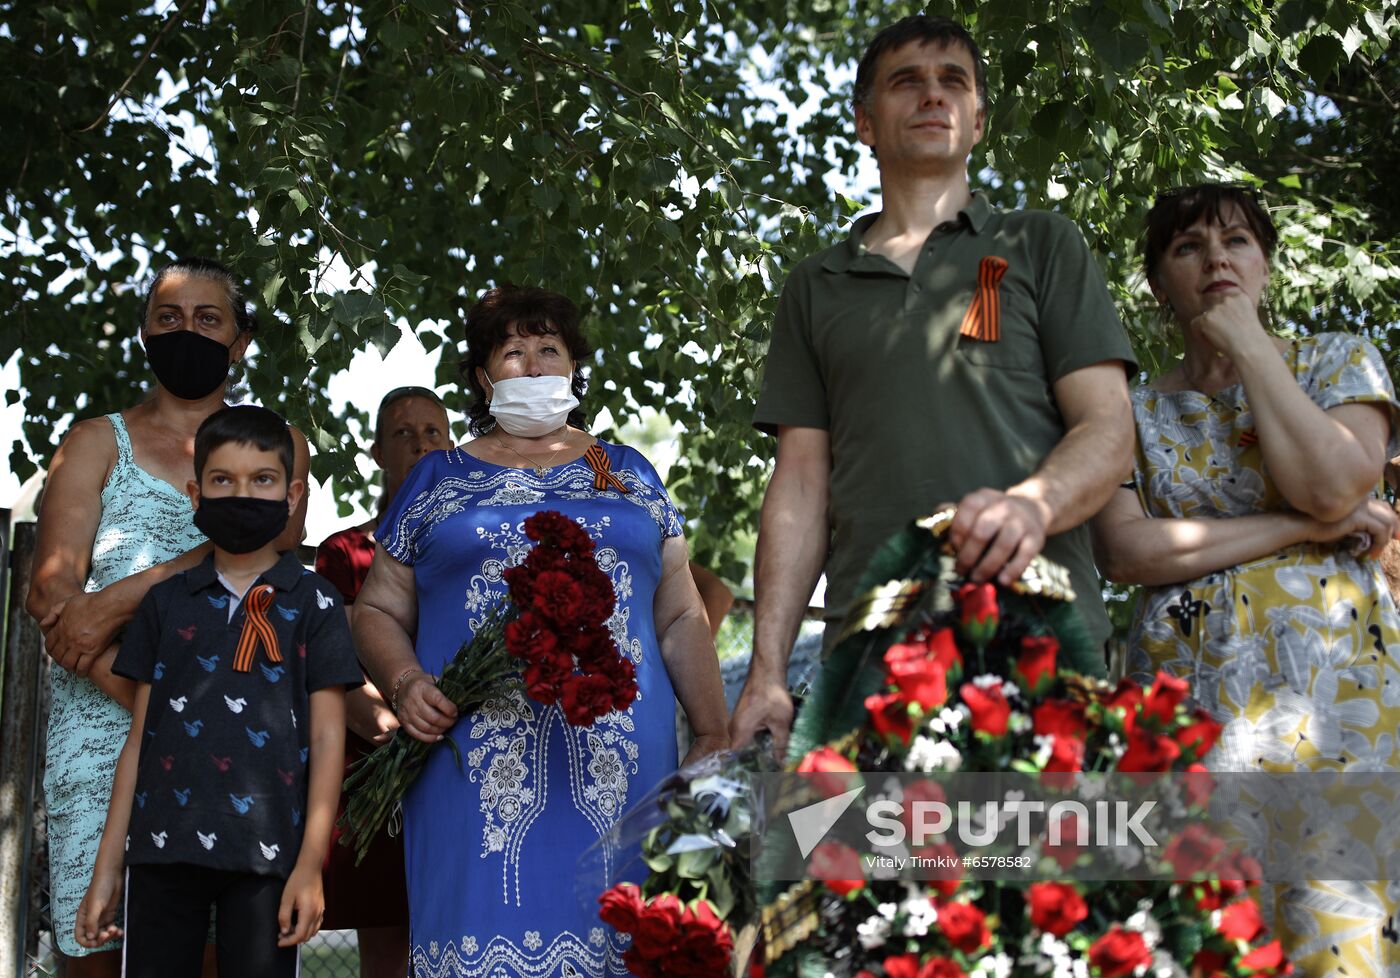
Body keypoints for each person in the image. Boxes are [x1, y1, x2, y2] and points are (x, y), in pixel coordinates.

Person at [729, 15, 1137, 754]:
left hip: (1039, 643)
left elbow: (1108, 430)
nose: (932, 96)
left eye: (954, 81)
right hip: (874, 661)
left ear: (979, 119)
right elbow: (799, 485)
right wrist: (765, 673)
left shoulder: (1043, 244)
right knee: (902, 868)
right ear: (864, 122)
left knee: (1034, 868)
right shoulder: (815, 286)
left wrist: (1034, 507)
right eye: (906, 81)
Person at [353, 285, 729, 978]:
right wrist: (404, 683)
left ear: (574, 369)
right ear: (483, 378)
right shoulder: (437, 478)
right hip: (471, 767)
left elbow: (679, 612)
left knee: (626, 940)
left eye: (547, 350)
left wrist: (711, 732)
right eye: (512, 353)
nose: (531, 367)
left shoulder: (629, 473)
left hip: (625, 769)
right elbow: (374, 609)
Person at [1090, 182, 1400, 974]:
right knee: (1205, 935)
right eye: (1189, 247)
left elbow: (1332, 483)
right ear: (1159, 282)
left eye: (1236, 243)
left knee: (1343, 931)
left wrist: (1251, 346)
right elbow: (1127, 554)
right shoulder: (1126, 411)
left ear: (1266, 262)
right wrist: (1304, 530)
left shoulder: (1336, 360)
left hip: (1339, 704)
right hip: (1190, 707)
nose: (1216, 260)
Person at [25, 257, 311, 975]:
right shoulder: (93, 443)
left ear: (241, 341)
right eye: (168, 319)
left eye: (208, 319)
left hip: (234, 738)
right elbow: (53, 606)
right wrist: (150, 707)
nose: (187, 332)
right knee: (97, 950)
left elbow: (273, 550)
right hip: (97, 727)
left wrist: (122, 598)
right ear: (145, 334)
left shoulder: (278, 446)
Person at [73, 405, 361, 976]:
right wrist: (108, 867)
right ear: (195, 493)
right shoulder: (167, 602)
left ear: (292, 493)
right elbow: (140, 741)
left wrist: (310, 865)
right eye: (222, 480)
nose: (242, 494)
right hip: (160, 851)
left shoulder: (316, 604)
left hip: (268, 854)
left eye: (262, 480)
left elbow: (329, 740)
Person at [316, 386, 451, 978]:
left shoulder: (479, 546)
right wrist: (397, 733)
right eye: (403, 433)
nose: (420, 444)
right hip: (384, 770)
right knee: (389, 944)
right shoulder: (345, 552)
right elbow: (331, 668)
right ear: (376, 452)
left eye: (433, 432)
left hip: (464, 763)